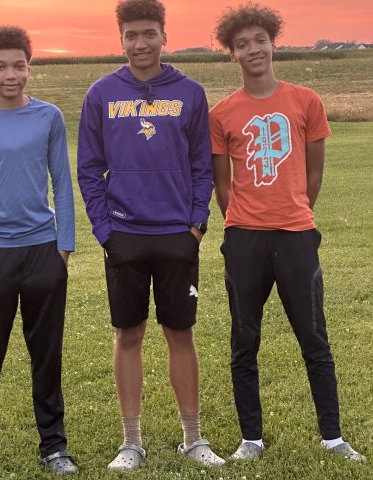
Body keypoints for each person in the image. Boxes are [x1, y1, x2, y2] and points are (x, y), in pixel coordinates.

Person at [209, 3, 366, 463]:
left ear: (273, 43)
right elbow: (223, 182)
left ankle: (332, 437)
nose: (253, 49)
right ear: (232, 54)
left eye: (259, 40)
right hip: (244, 239)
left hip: (297, 234)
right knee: (244, 339)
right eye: (242, 44)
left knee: (314, 337)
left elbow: (314, 175)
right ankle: (250, 439)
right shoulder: (222, 114)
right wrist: (243, 221)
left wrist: (293, 213)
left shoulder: (305, 100)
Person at [77, 0, 225, 471]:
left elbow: (203, 166)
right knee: (128, 334)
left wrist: (197, 223)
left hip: (177, 236)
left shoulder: (190, 92)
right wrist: (105, 230)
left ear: (164, 36)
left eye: (149, 33)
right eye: (131, 35)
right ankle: (131, 442)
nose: (140, 43)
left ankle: (193, 438)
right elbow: (88, 169)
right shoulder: (101, 94)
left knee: (180, 333)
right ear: (120, 39)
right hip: (124, 236)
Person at [0, 26, 77, 479]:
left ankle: (54, 447)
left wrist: (64, 247)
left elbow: (62, 182)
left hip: (44, 252)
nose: (10, 74)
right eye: (0, 65)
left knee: (47, 355)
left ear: (30, 67)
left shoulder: (49, 118)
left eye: (19, 65)